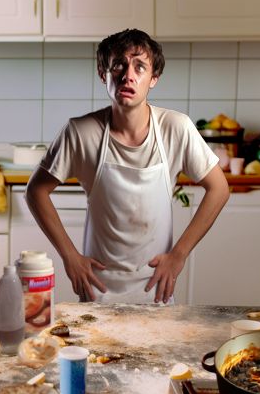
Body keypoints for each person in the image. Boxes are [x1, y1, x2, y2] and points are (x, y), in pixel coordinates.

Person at [27, 29, 230, 304]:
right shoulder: (81, 132)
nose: (127, 75)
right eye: (118, 65)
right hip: (98, 292)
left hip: (156, 290)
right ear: (104, 74)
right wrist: (70, 256)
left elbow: (219, 189)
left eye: (140, 66)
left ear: (153, 78)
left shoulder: (176, 128)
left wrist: (179, 255)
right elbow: (35, 191)